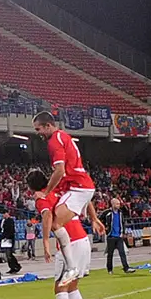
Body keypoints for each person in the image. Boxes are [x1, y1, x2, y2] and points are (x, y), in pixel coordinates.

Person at [28, 169, 94, 299]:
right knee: (72, 285)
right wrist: (94, 218)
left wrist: (45, 242)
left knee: (60, 287)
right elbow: (85, 200)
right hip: (82, 239)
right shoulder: (62, 190)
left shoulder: (42, 198)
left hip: (69, 244)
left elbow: (47, 215)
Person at [32, 111, 95, 286]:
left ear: (48, 125)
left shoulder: (54, 142)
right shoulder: (63, 137)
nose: (38, 133)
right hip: (79, 187)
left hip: (79, 188)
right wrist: (95, 218)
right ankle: (72, 267)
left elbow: (59, 170)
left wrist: (46, 192)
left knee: (55, 224)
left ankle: (72, 267)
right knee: (57, 222)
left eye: (39, 129)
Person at [100, 197, 137, 275]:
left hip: (119, 236)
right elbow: (100, 219)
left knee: (122, 253)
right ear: (112, 204)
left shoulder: (120, 213)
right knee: (110, 254)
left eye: (119, 204)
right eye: (117, 204)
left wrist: (123, 231)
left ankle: (126, 268)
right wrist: (104, 227)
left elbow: (123, 221)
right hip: (111, 236)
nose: (119, 205)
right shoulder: (107, 213)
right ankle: (109, 269)